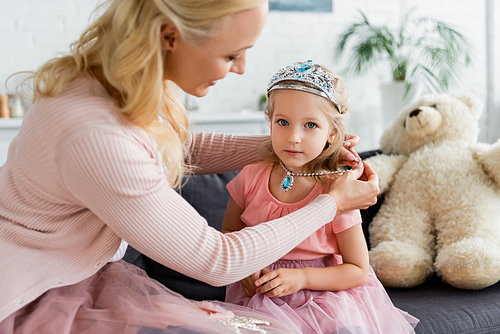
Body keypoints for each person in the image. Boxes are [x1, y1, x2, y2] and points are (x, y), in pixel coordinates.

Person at [0, 1, 379, 333]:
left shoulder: (115, 86)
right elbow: (219, 259)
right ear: (170, 37)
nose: (242, 69)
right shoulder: (93, 135)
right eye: (231, 55)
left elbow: (178, 149)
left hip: (77, 272)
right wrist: (332, 203)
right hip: (33, 290)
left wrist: (289, 151)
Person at [222, 60, 419, 334]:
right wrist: (245, 268)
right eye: (282, 122)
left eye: (310, 125)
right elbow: (230, 233)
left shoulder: (337, 189)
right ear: (269, 123)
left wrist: (302, 277)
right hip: (262, 297)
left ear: (333, 134)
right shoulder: (250, 178)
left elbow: (357, 269)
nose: (293, 137)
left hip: (323, 299)